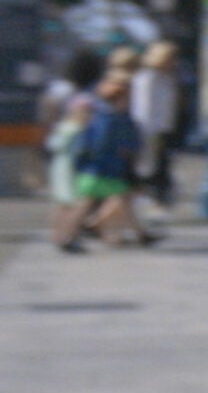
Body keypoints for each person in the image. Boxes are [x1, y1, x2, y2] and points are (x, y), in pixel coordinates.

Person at [70, 73, 156, 247]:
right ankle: (79, 230)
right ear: (118, 99)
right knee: (93, 202)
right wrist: (125, 150)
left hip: (101, 169)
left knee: (116, 200)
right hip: (104, 170)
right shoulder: (111, 119)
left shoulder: (104, 117)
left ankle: (139, 234)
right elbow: (103, 145)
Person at [43, 50, 106, 253]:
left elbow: (49, 107)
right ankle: (70, 234)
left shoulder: (60, 88)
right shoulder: (89, 93)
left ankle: (60, 234)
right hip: (76, 152)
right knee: (74, 198)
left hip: (59, 143)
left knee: (63, 200)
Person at [130, 41, 183, 207]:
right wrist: (149, 134)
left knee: (156, 167)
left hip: (163, 129)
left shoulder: (167, 78)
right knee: (146, 167)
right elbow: (143, 109)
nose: (174, 63)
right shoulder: (147, 79)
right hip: (149, 130)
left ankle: (152, 198)